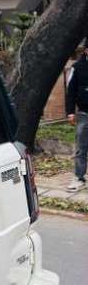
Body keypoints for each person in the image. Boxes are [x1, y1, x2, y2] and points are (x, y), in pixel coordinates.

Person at [66, 41, 88, 191]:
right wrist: (70, 112)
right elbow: (70, 91)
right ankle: (79, 178)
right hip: (83, 113)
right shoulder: (77, 68)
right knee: (81, 148)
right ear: (86, 51)